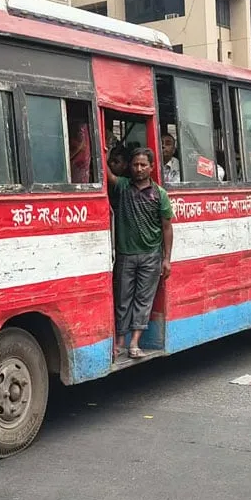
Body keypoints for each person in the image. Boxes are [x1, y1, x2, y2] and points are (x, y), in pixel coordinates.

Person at [107, 147, 174, 360]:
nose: (138, 168)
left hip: (151, 255)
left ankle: (134, 343)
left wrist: (166, 259)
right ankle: (120, 342)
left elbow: (167, 227)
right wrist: (103, 150)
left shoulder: (159, 194)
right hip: (125, 255)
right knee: (123, 299)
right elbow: (108, 176)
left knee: (143, 301)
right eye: (135, 164)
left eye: (143, 165)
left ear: (151, 167)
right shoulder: (123, 186)